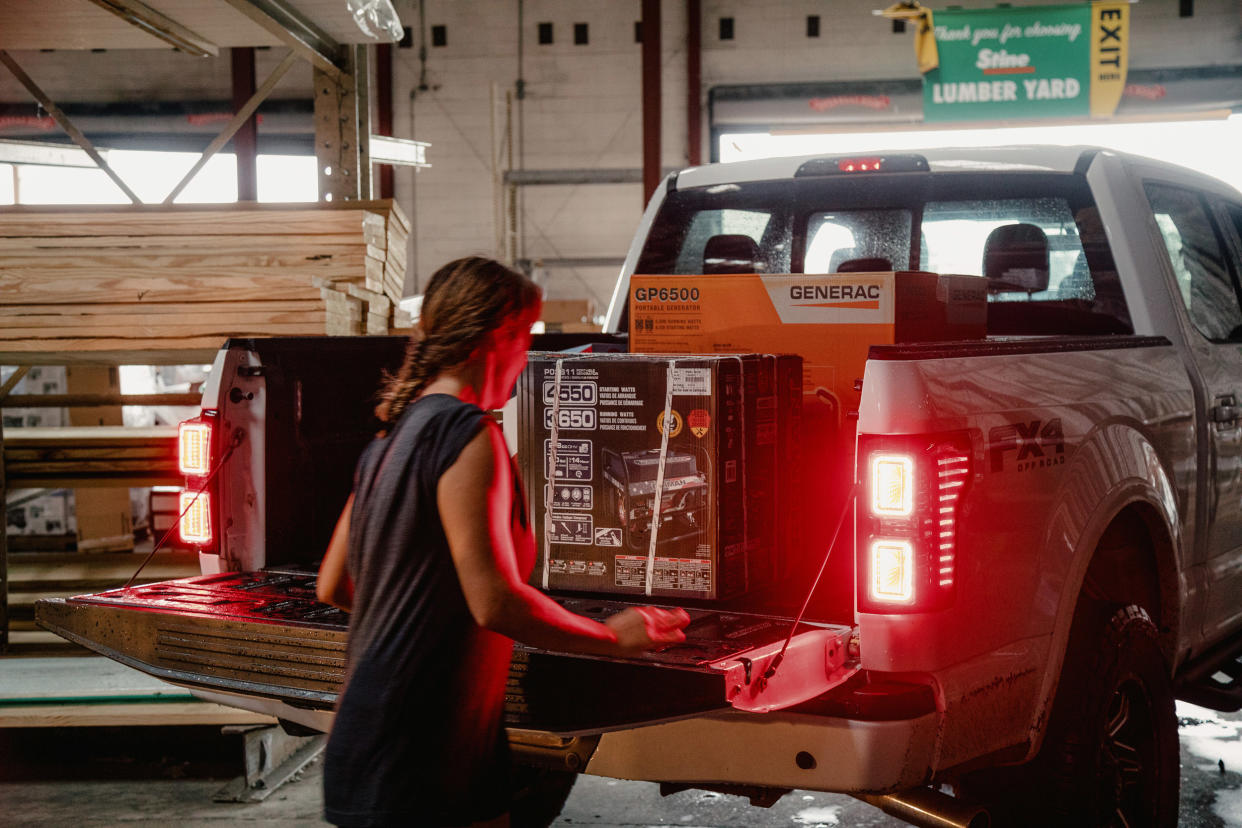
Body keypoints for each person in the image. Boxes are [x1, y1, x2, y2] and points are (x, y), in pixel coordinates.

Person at [315, 256, 690, 828]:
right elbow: (494, 600)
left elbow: (334, 584)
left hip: (374, 735)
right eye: (527, 336)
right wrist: (612, 636)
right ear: (496, 337)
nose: (528, 355)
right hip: (421, 751)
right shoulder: (468, 436)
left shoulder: (388, 440)